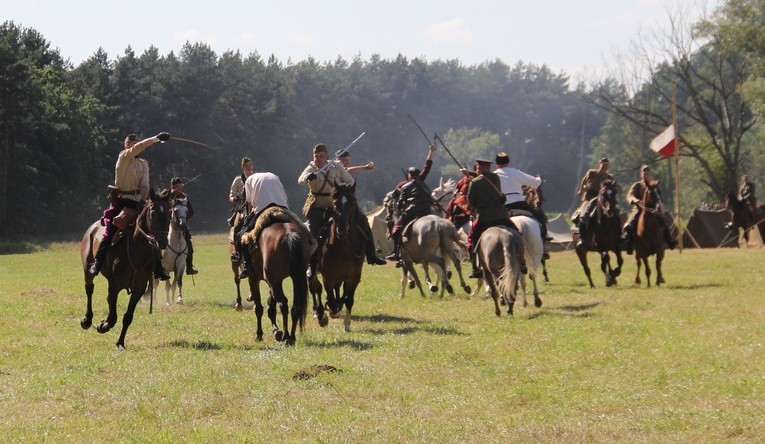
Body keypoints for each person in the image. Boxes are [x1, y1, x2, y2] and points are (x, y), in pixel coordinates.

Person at [88, 132, 171, 280]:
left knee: (152, 233)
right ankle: (98, 262)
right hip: (122, 201)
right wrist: (156, 138)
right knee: (111, 230)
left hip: (139, 201)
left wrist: (142, 201)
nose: (138, 147)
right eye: (134, 144)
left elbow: (145, 184)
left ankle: (158, 268)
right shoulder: (124, 157)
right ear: (127, 145)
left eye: (138, 143)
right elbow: (139, 147)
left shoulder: (144, 164)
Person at [298, 144, 386, 278]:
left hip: (337, 204)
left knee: (362, 220)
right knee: (313, 232)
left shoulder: (336, 165)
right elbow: (301, 179)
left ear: (327, 156)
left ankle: (371, 254)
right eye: (316, 156)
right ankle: (312, 264)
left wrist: (343, 191)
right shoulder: (311, 168)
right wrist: (307, 178)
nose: (318, 158)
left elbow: (349, 180)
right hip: (319, 206)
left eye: (321, 156)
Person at [234, 171, 313, 278]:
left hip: (263, 210)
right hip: (282, 208)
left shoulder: (248, 181)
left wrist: (248, 219)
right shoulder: (274, 176)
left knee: (241, 235)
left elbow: (249, 204)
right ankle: (310, 262)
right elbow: (284, 197)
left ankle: (246, 265)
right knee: (305, 233)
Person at [463, 159, 526, 278]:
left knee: (471, 240)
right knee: (517, 233)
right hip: (501, 215)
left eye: (477, 167)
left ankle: (475, 268)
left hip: (485, 218)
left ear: (479, 168)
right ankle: (522, 262)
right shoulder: (496, 178)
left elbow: (471, 202)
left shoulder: (475, 182)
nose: (476, 169)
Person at [386, 144, 437, 260]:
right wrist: (431, 152)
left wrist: (399, 209)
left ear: (409, 175)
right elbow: (427, 166)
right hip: (427, 209)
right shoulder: (421, 180)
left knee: (396, 228)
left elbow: (397, 201)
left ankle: (397, 252)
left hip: (412, 210)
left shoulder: (404, 185)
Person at [493, 152, 548, 247]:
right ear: (508, 162)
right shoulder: (515, 172)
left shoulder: (493, 176)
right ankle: (544, 241)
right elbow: (535, 183)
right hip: (520, 204)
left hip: (502, 206)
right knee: (540, 218)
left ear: (497, 164)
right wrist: (539, 178)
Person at [621, 165, 678, 253]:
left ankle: (670, 241)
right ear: (641, 175)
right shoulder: (637, 185)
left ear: (649, 174)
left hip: (653, 210)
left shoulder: (654, 185)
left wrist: (659, 204)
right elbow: (630, 195)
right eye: (644, 173)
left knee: (665, 222)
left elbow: (659, 197)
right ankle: (628, 244)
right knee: (629, 225)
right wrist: (636, 201)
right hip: (639, 209)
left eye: (647, 173)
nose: (645, 175)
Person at [574, 158, 615, 247]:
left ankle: (617, 236)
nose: (604, 167)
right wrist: (582, 190)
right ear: (599, 164)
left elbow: (614, 187)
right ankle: (582, 238)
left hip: (603, 200)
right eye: (603, 164)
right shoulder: (592, 173)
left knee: (615, 213)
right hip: (589, 198)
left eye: (606, 165)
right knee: (583, 215)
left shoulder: (609, 177)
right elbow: (584, 181)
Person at [169, 177, 198, 275]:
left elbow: (191, 212)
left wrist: (183, 219)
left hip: (182, 226)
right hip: (168, 226)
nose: (179, 188)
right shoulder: (167, 195)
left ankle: (189, 267)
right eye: (177, 186)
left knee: (188, 244)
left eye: (180, 186)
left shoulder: (185, 197)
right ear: (172, 187)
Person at [229, 157, 255, 262]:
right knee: (236, 228)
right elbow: (230, 196)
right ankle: (237, 252)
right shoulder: (238, 180)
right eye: (247, 165)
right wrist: (234, 198)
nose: (249, 167)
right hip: (241, 209)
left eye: (250, 165)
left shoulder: (256, 177)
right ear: (243, 167)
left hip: (254, 207)